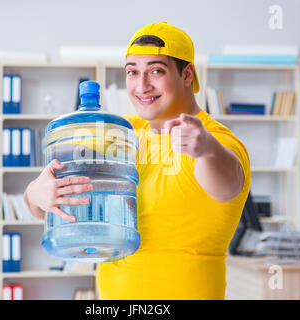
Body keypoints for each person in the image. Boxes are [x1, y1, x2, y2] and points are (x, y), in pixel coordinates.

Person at [24, 22, 251, 299]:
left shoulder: (217, 141)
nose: (142, 86)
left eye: (156, 71)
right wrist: (36, 194)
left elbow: (228, 185)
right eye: (132, 72)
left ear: (187, 74)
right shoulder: (120, 135)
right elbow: (52, 204)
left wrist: (206, 149)